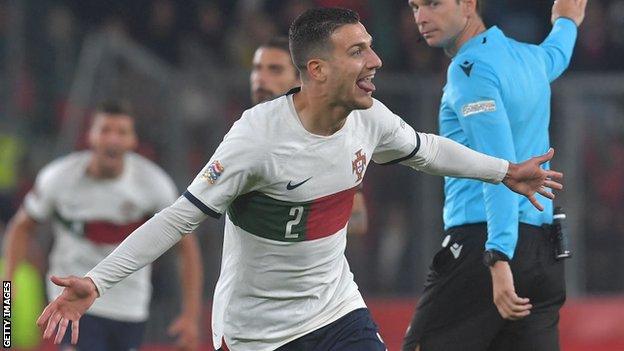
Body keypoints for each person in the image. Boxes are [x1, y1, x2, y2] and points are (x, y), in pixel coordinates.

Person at [36, 8, 562, 351]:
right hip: (255, 333)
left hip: (335, 309)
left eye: (371, 47)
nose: (376, 61)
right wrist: (97, 282)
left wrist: (506, 171)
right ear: (316, 69)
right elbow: (179, 219)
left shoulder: (369, 119)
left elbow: (426, 150)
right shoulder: (255, 140)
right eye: (358, 52)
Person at [402, 0, 587, 350]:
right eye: (414, 7)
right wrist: (566, 21)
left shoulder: (469, 68)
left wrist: (498, 255)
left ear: (468, 4)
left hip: (484, 245)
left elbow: (500, 168)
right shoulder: (528, 59)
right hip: (543, 253)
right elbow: (556, 56)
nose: (421, 17)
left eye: (433, 4)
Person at [2, 101, 203, 351]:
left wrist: (191, 316)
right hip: (71, 301)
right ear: (91, 136)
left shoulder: (153, 184)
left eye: (121, 132)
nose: (113, 139)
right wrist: (8, 287)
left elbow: (186, 246)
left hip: (129, 307)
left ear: (133, 141)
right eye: (105, 130)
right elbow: (21, 227)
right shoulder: (59, 177)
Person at [250, 36, 369, 235]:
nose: (260, 79)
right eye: (257, 68)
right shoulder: (244, 134)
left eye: (275, 70)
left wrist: (293, 224)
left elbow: (358, 219)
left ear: (300, 79)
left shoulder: (328, 138)